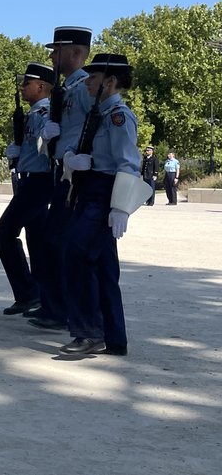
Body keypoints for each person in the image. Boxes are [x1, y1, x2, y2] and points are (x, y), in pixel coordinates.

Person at [57, 54, 144, 356]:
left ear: (110, 81)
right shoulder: (97, 113)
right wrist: (69, 157)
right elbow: (77, 144)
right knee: (104, 268)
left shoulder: (118, 116)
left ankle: (89, 332)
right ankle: (114, 337)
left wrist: (120, 207)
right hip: (89, 187)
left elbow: (129, 164)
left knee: (76, 254)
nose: (87, 82)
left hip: (105, 192)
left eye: (93, 78)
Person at [32, 26, 94, 332]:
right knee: (52, 242)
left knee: (63, 243)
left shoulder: (84, 88)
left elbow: (89, 132)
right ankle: (56, 307)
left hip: (75, 175)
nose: (52, 56)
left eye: (57, 50)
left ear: (77, 53)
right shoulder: (67, 89)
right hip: (61, 171)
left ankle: (64, 310)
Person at [0, 63, 56, 317]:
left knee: (4, 232)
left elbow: (47, 147)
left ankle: (29, 293)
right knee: (37, 241)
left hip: (40, 181)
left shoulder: (46, 113)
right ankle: (41, 298)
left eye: (27, 83)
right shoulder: (33, 114)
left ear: (41, 86)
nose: (22, 87)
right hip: (30, 179)